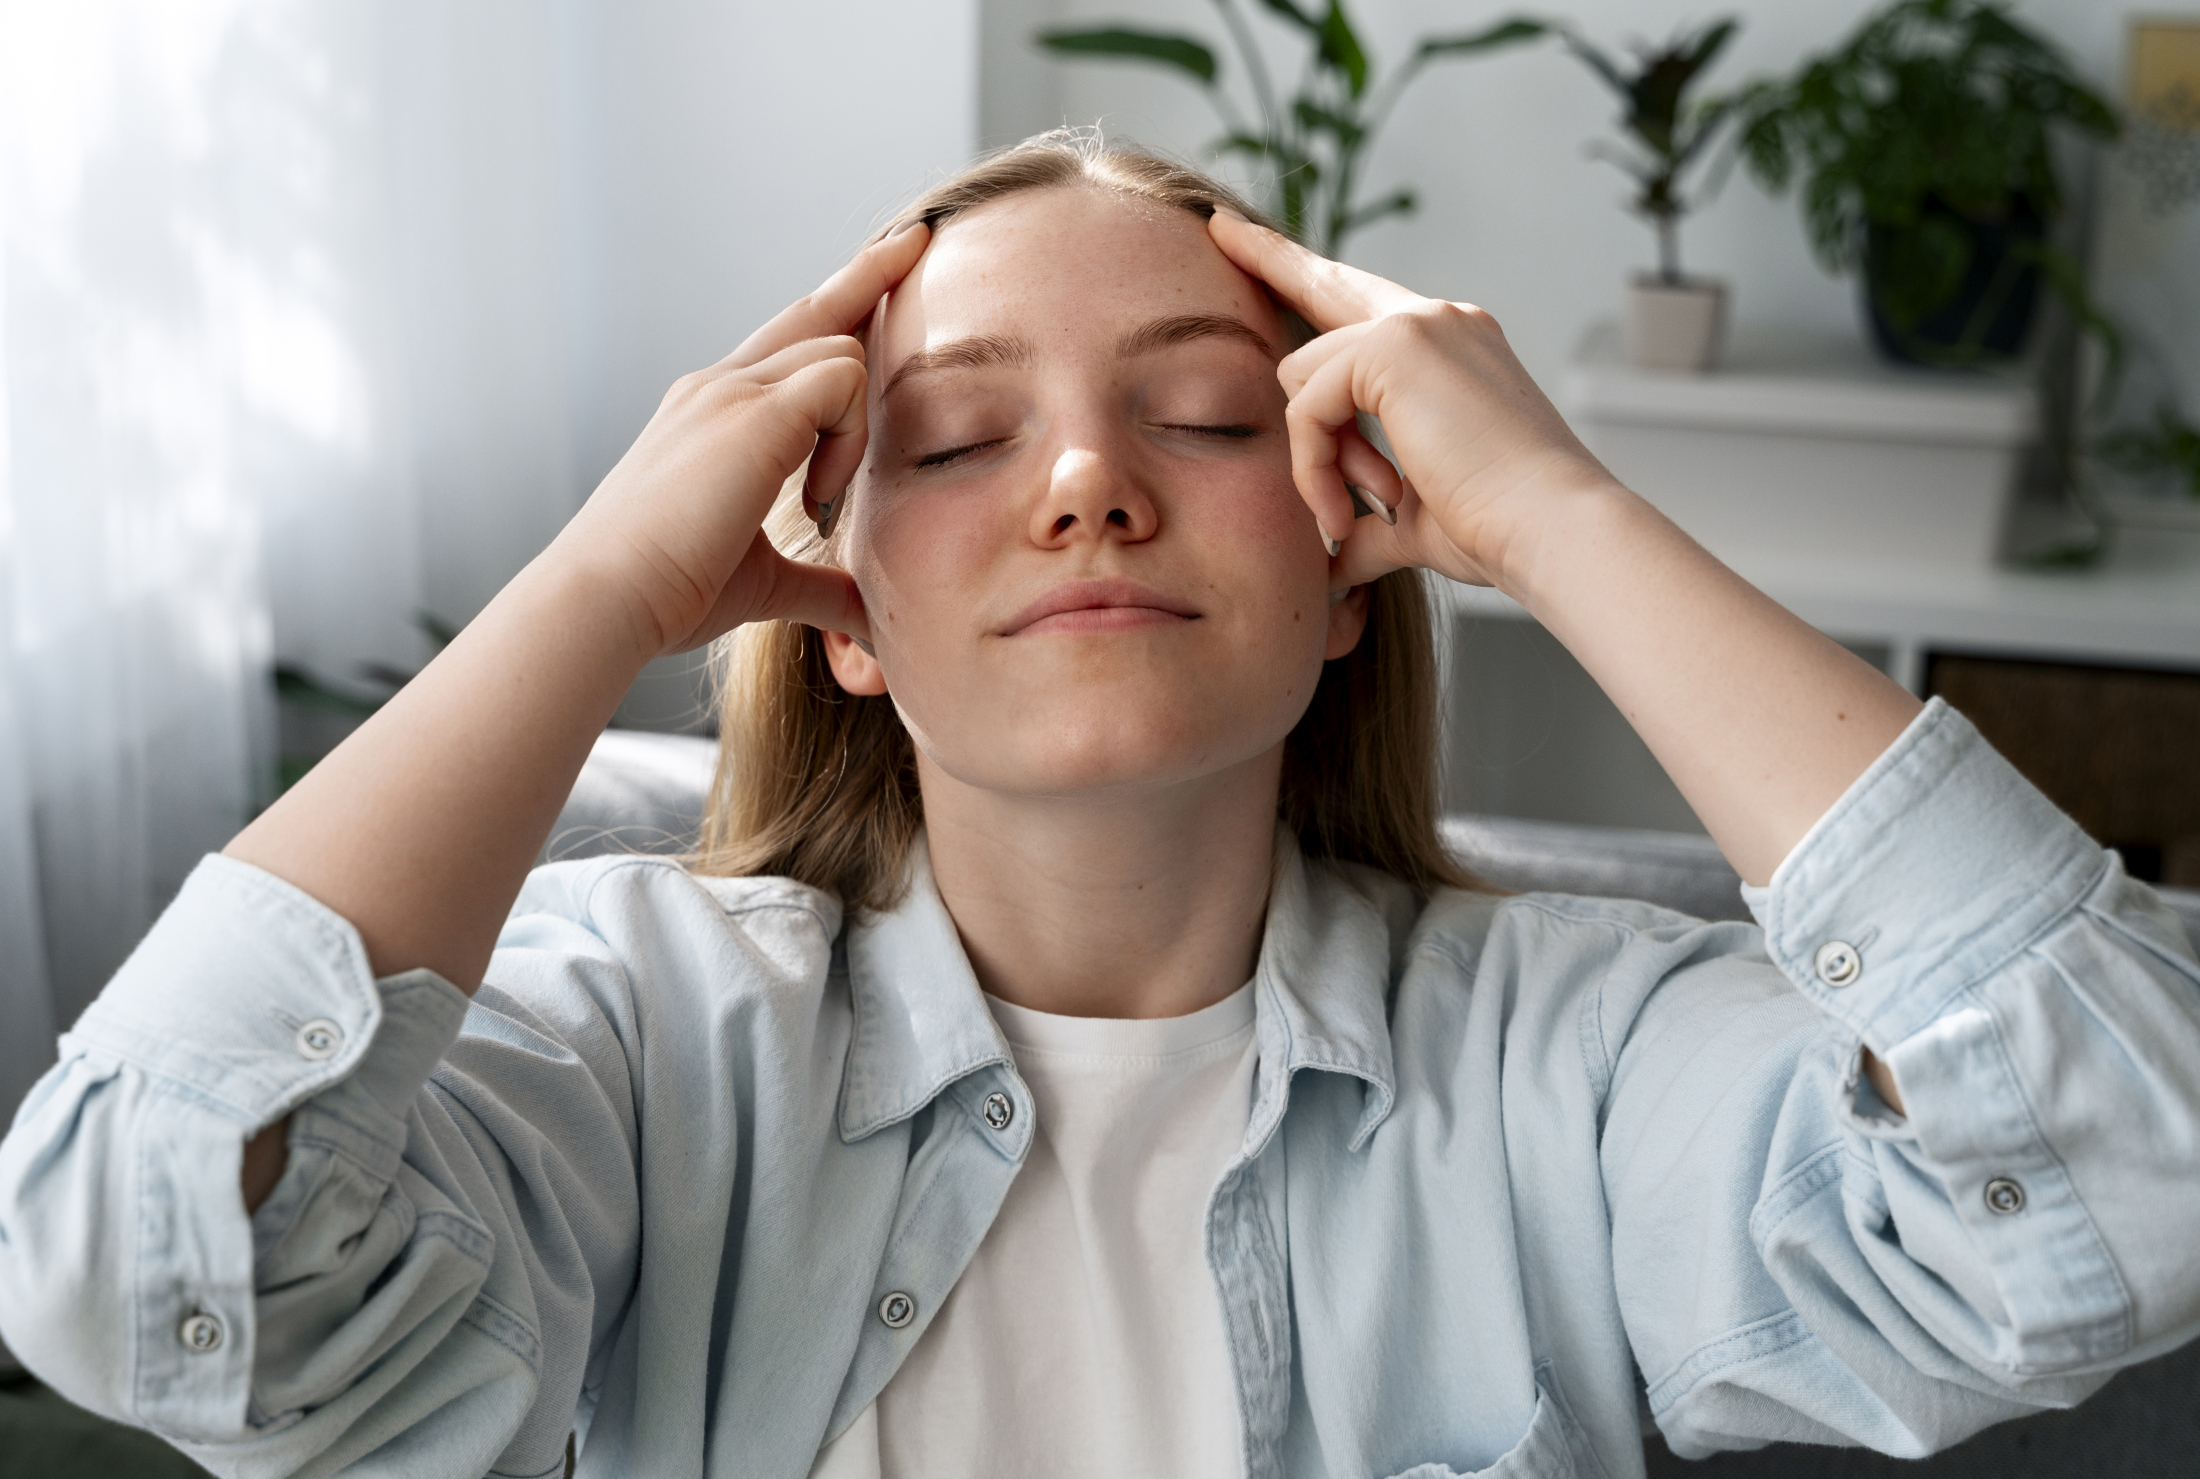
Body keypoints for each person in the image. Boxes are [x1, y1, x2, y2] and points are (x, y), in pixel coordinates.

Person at [2, 129, 2197, 1479]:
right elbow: (141, 1258)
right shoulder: (638, 1026)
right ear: (834, 603)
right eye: (953, 445)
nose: (1083, 480)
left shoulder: (1581, 1061)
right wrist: (595, 583)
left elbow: (2138, 1170)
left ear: (1351, 560)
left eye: (1204, 418)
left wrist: (1549, 505)